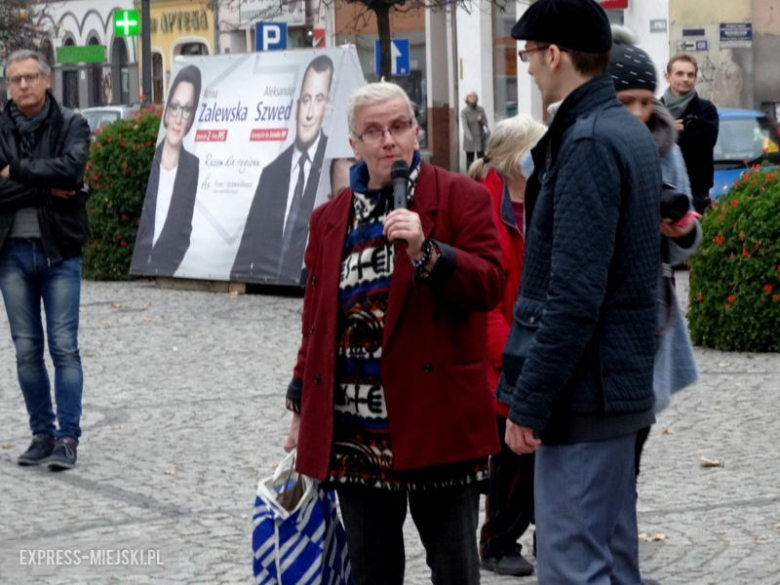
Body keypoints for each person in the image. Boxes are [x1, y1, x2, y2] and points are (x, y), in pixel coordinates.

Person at [283, 81, 503, 585]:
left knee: (454, 569)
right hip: (356, 437)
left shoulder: (459, 197)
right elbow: (316, 320)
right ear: (354, 144)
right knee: (372, 572)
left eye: (399, 127)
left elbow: (491, 284)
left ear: (416, 132)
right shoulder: (329, 218)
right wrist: (299, 405)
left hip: (437, 426)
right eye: (374, 131)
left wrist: (428, 253)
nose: (390, 141)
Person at [498, 1, 662, 583]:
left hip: (586, 397)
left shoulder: (588, 139)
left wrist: (530, 401)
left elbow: (573, 295)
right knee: (612, 565)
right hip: (611, 389)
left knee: (573, 568)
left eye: (528, 56)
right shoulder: (619, 128)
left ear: (554, 54)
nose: (529, 69)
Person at [0, 49, 91, 470]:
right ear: (7, 86)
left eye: (30, 77)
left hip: (59, 253)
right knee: (26, 351)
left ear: (47, 80)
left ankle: (67, 439)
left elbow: (72, 174)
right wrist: (45, 182)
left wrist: (15, 172)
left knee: (64, 348)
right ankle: (42, 433)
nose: (23, 85)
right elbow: (60, 182)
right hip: (12, 254)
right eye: (15, 79)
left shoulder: (73, 123)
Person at [467, 114, 546, 577]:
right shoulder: (483, 204)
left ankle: (544, 529)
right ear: (515, 158)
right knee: (510, 456)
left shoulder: (538, 196)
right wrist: (509, 355)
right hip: (503, 348)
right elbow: (484, 300)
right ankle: (497, 540)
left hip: (533, 339)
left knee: (536, 447)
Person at [231, 55, 333, 285]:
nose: (309, 113)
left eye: (318, 100)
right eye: (306, 99)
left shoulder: (333, 160)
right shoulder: (271, 173)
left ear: (328, 107)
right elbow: (245, 250)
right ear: (297, 106)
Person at [132, 65, 201, 277]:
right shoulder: (149, 158)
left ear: (191, 117)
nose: (179, 117)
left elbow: (183, 232)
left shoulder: (192, 166)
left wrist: (164, 269)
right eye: (175, 107)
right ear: (166, 113)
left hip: (167, 269)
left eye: (187, 109)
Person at [661, 53, 719, 215]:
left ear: (695, 79)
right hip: (661, 193)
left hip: (697, 195)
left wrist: (670, 135)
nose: (685, 79)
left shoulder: (706, 110)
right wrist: (670, 130)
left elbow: (705, 144)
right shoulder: (656, 110)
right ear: (667, 77)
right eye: (679, 73)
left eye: (690, 74)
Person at [461, 92, 489, 169]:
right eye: (470, 96)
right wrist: (468, 135)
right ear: (467, 99)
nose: (472, 98)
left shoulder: (480, 109)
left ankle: (482, 176)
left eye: (474, 96)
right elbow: (464, 124)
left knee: (481, 159)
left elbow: (485, 123)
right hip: (470, 138)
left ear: (476, 98)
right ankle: (470, 177)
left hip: (480, 137)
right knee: (470, 160)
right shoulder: (464, 111)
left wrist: (481, 120)